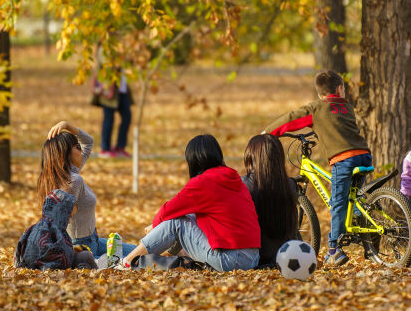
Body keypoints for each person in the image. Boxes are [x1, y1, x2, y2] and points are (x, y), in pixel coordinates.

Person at [263, 70, 372, 267]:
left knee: (338, 202)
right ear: (340, 89)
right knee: (353, 198)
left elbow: (292, 118)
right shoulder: (346, 106)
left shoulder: (317, 108)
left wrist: (268, 132)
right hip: (364, 156)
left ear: (320, 93)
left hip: (344, 159)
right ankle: (365, 233)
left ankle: (333, 250)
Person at [123, 134, 261, 272]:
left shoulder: (203, 182)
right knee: (189, 216)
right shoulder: (232, 178)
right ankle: (158, 256)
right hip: (252, 257)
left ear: (192, 160)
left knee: (176, 222)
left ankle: (126, 262)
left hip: (231, 260)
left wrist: (154, 225)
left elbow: (168, 210)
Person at [41, 121, 137, 258]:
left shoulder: (66, 173)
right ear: (66, 153)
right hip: (81, 247)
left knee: (139, 252)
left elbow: (89, 141)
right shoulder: (73, 180)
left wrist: (67, 125)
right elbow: (60, 221)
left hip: (94, 241)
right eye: (77, 147)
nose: (81, 150)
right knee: (133, 262)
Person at [242, 134, 298, 266]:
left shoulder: (243, 185)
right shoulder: (290, 185)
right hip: (285, 254)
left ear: (252, 158)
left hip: (256, 257)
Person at [13, 189, 97, 270]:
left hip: (34, 265)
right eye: (69, 217)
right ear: (61, 213)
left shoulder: (34, 228)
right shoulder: (54, 232)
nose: (69, 221)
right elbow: (60, 257)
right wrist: (73, 253)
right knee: (86, 256)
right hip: (50, 268)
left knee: (85, 254)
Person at [93, 44, 133, 158]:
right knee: (109, 119)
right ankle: (105, 148)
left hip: (121, 89)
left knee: (127, 116)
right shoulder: (106, 48)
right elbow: (106, 68)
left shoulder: (120, 46)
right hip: (108, 90)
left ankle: (120, 147)